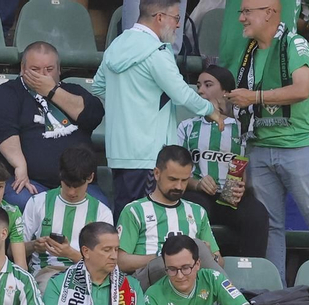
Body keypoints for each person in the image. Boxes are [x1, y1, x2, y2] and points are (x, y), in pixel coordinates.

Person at [230, 0, 309, 281]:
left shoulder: (295, 43)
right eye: (241, 12)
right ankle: (275, 292)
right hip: (259, 146)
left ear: (269, 12)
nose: (241, 18)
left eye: (247, 12)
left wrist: (254, 97)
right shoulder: (248, 51)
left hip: (297, 146)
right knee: (271, 226)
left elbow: (301, 89)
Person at [94, 0, 221, 211]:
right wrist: (211, 110)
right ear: (160, 17)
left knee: (126, 218)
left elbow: (98, 86)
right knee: (147, 220)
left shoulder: (116, 45)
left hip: (118, 152)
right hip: (149, 155)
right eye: (176, 18)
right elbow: (181, 94)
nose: (178, 25)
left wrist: (127, 104)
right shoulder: (157, 52)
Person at [0, 43, 104, 209]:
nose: (43, 75)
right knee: (26, 203)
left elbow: (94, 114)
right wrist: (20, 165)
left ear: (59, 70)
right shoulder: (9, 92)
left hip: (78, 182)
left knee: (100, 208)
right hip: (29, 181)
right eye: (35, 69)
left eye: (49, 69)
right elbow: (3, 130)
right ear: (22, 69)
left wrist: (52, 91)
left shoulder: (73, 90)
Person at [179, 66, 269, 261]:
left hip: (230, 196)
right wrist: (197, 184)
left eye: (208, 85)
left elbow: (248, 167)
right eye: (198, 85)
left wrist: (243, 186)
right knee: (193, 209)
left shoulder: (242, 127)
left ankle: (252, 273)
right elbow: (176, 171)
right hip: (197, 193)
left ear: (226, 92)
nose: (200, 90)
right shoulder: (187, 127)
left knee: (257, 214)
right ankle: (190, 267)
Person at [116, 146, 223, 285]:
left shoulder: (197, 212)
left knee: (198, 249)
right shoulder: (135, 210)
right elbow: (120, 261)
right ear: (157, 173)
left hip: (189, 280)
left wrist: (210, 255)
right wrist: (164, 256)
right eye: (173, 179)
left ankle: (230, 297)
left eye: (184, 180)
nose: (179, 186)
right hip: (149, 280)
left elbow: (219, 262)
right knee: (185, 252)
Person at [21, 147, 113, 289]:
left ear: (90, 178)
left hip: (87, 274)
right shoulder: (37, 202)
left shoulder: (102, 212)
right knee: (50, 288)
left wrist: (70, 253)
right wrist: (34, 245)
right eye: (67, 185)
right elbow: (14, 250)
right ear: (60, 176)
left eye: (77, 186)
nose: (71, 192)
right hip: (46, 273)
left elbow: (104, 263)